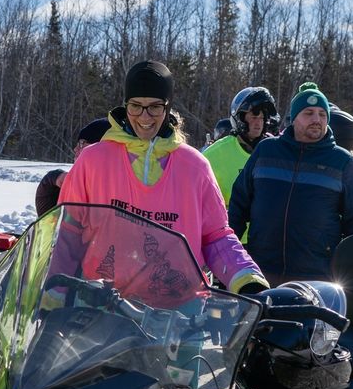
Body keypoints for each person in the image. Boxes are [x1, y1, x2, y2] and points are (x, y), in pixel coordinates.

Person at [58, 60, 268, 295]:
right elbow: (66, 231)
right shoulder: (93, 160)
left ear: (168, 108)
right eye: (136, 106)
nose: (145, 117)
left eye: (155, 107)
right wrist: (54, 291)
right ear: (125, 106)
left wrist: (246, 277)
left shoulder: (195, 166)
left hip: (177, 312)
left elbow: (216, 236)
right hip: (102, 305)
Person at [229, 82, 353, 284]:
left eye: (322, 114)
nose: (317, 119)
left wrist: (349, 268)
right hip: (260, 271)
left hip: (316, 277)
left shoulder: (342, 162)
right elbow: (238, 206)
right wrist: (229, 258)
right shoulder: (266, 151)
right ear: (294, 118)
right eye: (309, 113)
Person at [203, 86, 280, 207]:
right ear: (240, 118)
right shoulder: (214, 155)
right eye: (254, 116)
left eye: (262, 117)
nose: (258, 122)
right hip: (231, 225)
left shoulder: (275, 152)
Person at [34, 118, 109, 217]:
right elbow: (47, 224)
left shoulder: (118, 193)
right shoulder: (68, 185)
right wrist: (53, 178)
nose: (75, 149)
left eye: (82, 143)